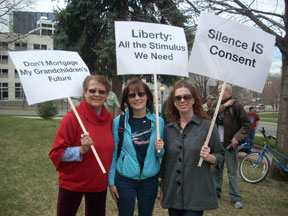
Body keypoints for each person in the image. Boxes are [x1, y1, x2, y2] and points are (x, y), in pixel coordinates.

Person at [49, 75, 114, 216]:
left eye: (101, 91)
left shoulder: (109, 118)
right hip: (73, 184)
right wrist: (80, 150)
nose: (97, 94)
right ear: (84, 93)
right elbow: (56, 152)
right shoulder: (72, 118)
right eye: (92, 91)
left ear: (107, 95)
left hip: (98, 182)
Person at [160, 80, 224, 216]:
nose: (182, 100)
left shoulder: (207, 127)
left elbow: (220, 155)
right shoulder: (168, 128)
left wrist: (210, 157)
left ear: (194, 99)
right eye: (178, 97)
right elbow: (166, 162)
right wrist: (163, 188)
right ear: (174, 102)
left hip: (196, 193)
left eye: (187, 97)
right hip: (173, 194)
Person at [108, 77, 165, 216]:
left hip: (149, 180)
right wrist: (111, 182)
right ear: (127, 99)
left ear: (147, 96)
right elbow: (114, 152)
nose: (137, 98)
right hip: (124, 180)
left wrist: (160, 149)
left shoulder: (158, 121)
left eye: (141, 94)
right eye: (132, 95)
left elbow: (159, 154)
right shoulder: (118, 122)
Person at [208, 84, 251, 209]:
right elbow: (209, 115)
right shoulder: (217, 105)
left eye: (221, 91)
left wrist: (237, 137)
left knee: (232, 172)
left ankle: (235, 197)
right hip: (217, 144)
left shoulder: (237, 106)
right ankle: (216, 193)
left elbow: (246, 125)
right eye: (218, 91)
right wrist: (223, 106)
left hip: (229, 144)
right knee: (216, 169)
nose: (219, 93)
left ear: (227, 92)